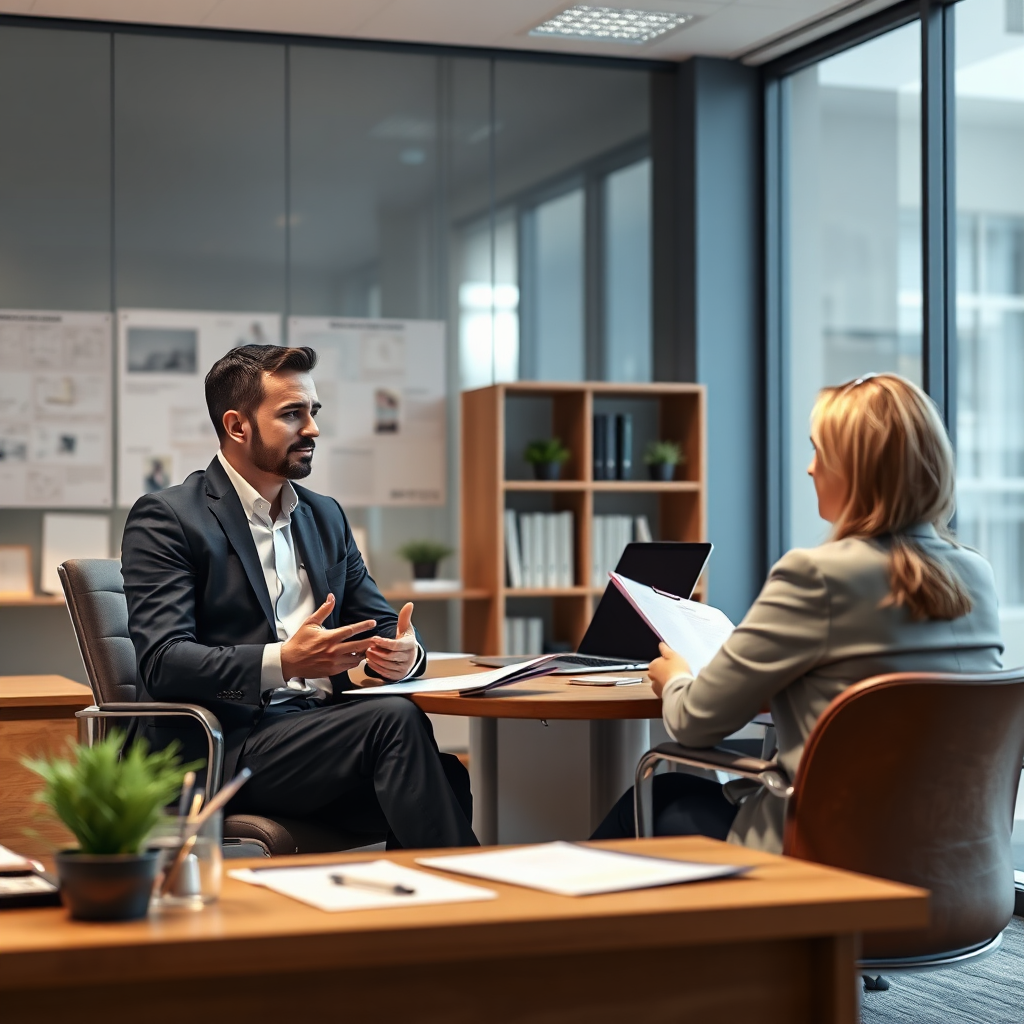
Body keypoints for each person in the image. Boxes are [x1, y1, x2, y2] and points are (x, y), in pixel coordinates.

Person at [592, 373, 1003, 851]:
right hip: (961, 866)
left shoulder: (816, 575)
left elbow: (694, 723)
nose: (810, 469)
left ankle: (552, 924)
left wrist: (677, 677)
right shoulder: (977, 575)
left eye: (820, 452)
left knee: (654, 795)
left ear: (856, 469)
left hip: (835, 858)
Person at [121, 344, 477, 849]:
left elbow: (380, 625)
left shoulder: (324, 515)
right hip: (227, 746)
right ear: (238, 426)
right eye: (292, 414)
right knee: (395, 722)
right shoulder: (169, 517)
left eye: (314, 412)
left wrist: (403, 656)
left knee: (445, 776)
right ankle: (472, 914)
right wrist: (283, 661)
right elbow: (163, 661)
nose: (312, 429)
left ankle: (415, 915)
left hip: (318, 735)